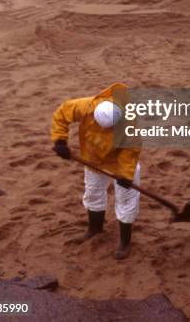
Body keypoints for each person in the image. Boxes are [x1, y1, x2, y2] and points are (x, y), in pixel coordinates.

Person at [51, 83, 140, 260]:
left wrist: (126, 175)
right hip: (93, 159)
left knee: (125, 198)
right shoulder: (86, 106)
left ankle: (125, 241)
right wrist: (60, 141)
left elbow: (130, 151)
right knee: (93, 193)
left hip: (119, 162)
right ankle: (95, 228)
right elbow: (61, 114)